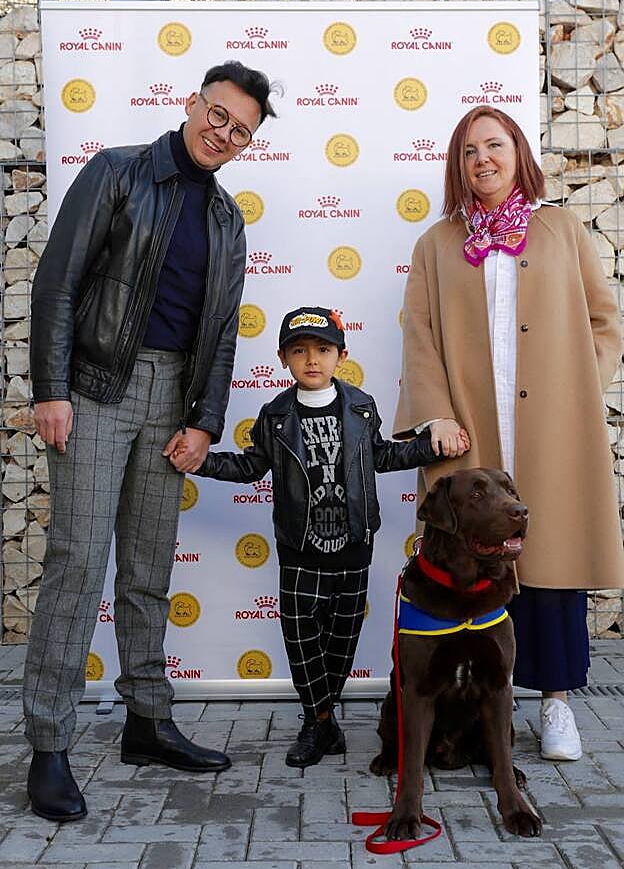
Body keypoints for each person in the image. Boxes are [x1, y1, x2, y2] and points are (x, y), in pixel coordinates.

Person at [24, 61, 277, 822]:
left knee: (147, 565)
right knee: (77, 563)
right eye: (218, 114)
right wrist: (51, 390)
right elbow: (58, 283)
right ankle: (49, 744)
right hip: (98, 387)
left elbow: (223, 335)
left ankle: (146, 720)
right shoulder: (118, 172)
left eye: (240, 131)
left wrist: (205, 420)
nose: (223, 133)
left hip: (174, 402)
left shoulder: (230, 221)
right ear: (191, 103)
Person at [394, 105, 624, 763]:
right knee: (462, 568)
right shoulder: (437, 243)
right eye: (468, 151)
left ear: (519, 153)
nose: (482, 159)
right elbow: (421, 337)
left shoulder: (562, 229)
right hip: (469, 436)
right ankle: (458, 710)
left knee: (550, 566)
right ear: (457, 166)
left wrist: (578, 386)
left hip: (550, 429)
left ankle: (556, 704)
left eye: (493, 145)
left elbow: (605, 322)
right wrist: (435, 412)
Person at [187, 306, 469, 768]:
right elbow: (250, 466)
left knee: (341, 640)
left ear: (341, 355)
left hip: (354, 545)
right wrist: (202, 463)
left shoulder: (360, 407)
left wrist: (431, 445)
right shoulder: (275, 414)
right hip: (299, 547)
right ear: (283, 358)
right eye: (299, 351)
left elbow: (382, 456)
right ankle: (318, 722)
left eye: (322, 350)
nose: (311, 360)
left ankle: (321, 722)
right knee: (301, 640)